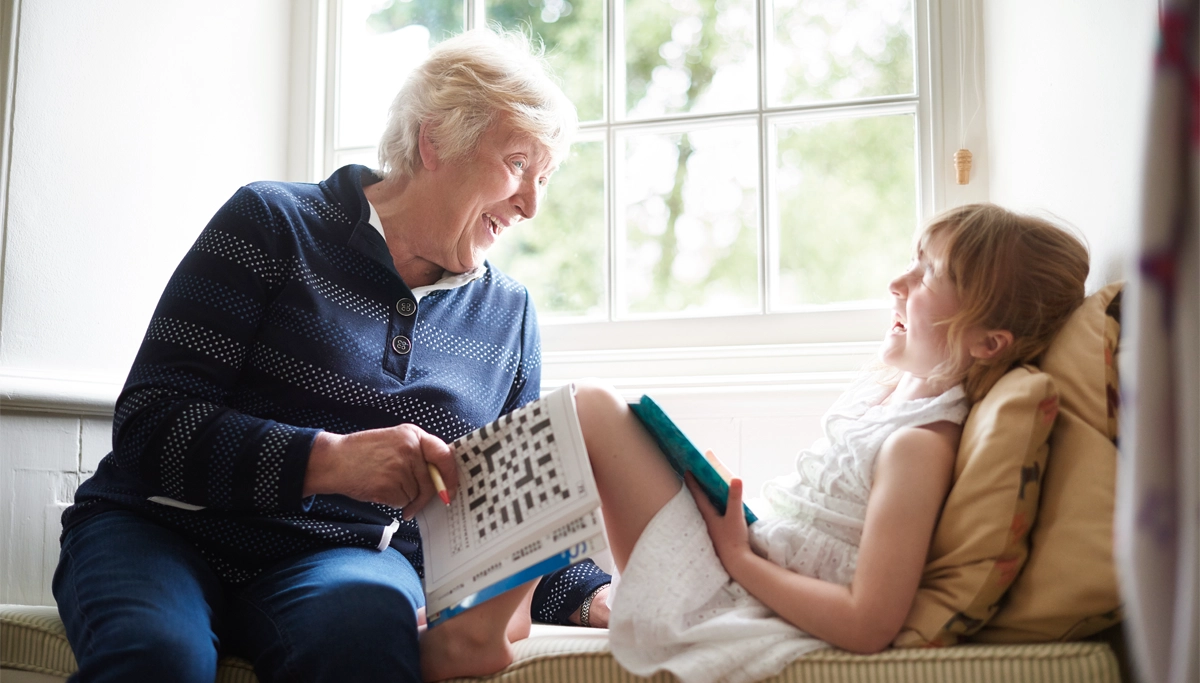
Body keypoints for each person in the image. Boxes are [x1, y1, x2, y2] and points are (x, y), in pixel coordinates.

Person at [52, 27, 611, 683]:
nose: (532, 205)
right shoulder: (270, 222)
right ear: (435, 141)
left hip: (343, 557)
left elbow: (499, 519)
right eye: (519, 164)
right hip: (160, 530)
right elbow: (151, 423)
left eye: (544, 178)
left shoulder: (508, 317)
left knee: (364, 641)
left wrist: (590, 592)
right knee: (157, 660)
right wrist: (331, 462)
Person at [420, 203, 1091, 683]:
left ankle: (478, 630)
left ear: (987, 340)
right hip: (742, 560)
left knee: (590, 409)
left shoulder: (921, 444)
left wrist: (739, 555)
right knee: (594, 409)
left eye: (927, 274)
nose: (898, 282)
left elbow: (868, 622)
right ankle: (489, 612)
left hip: (733, 596)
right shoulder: (890, 390)